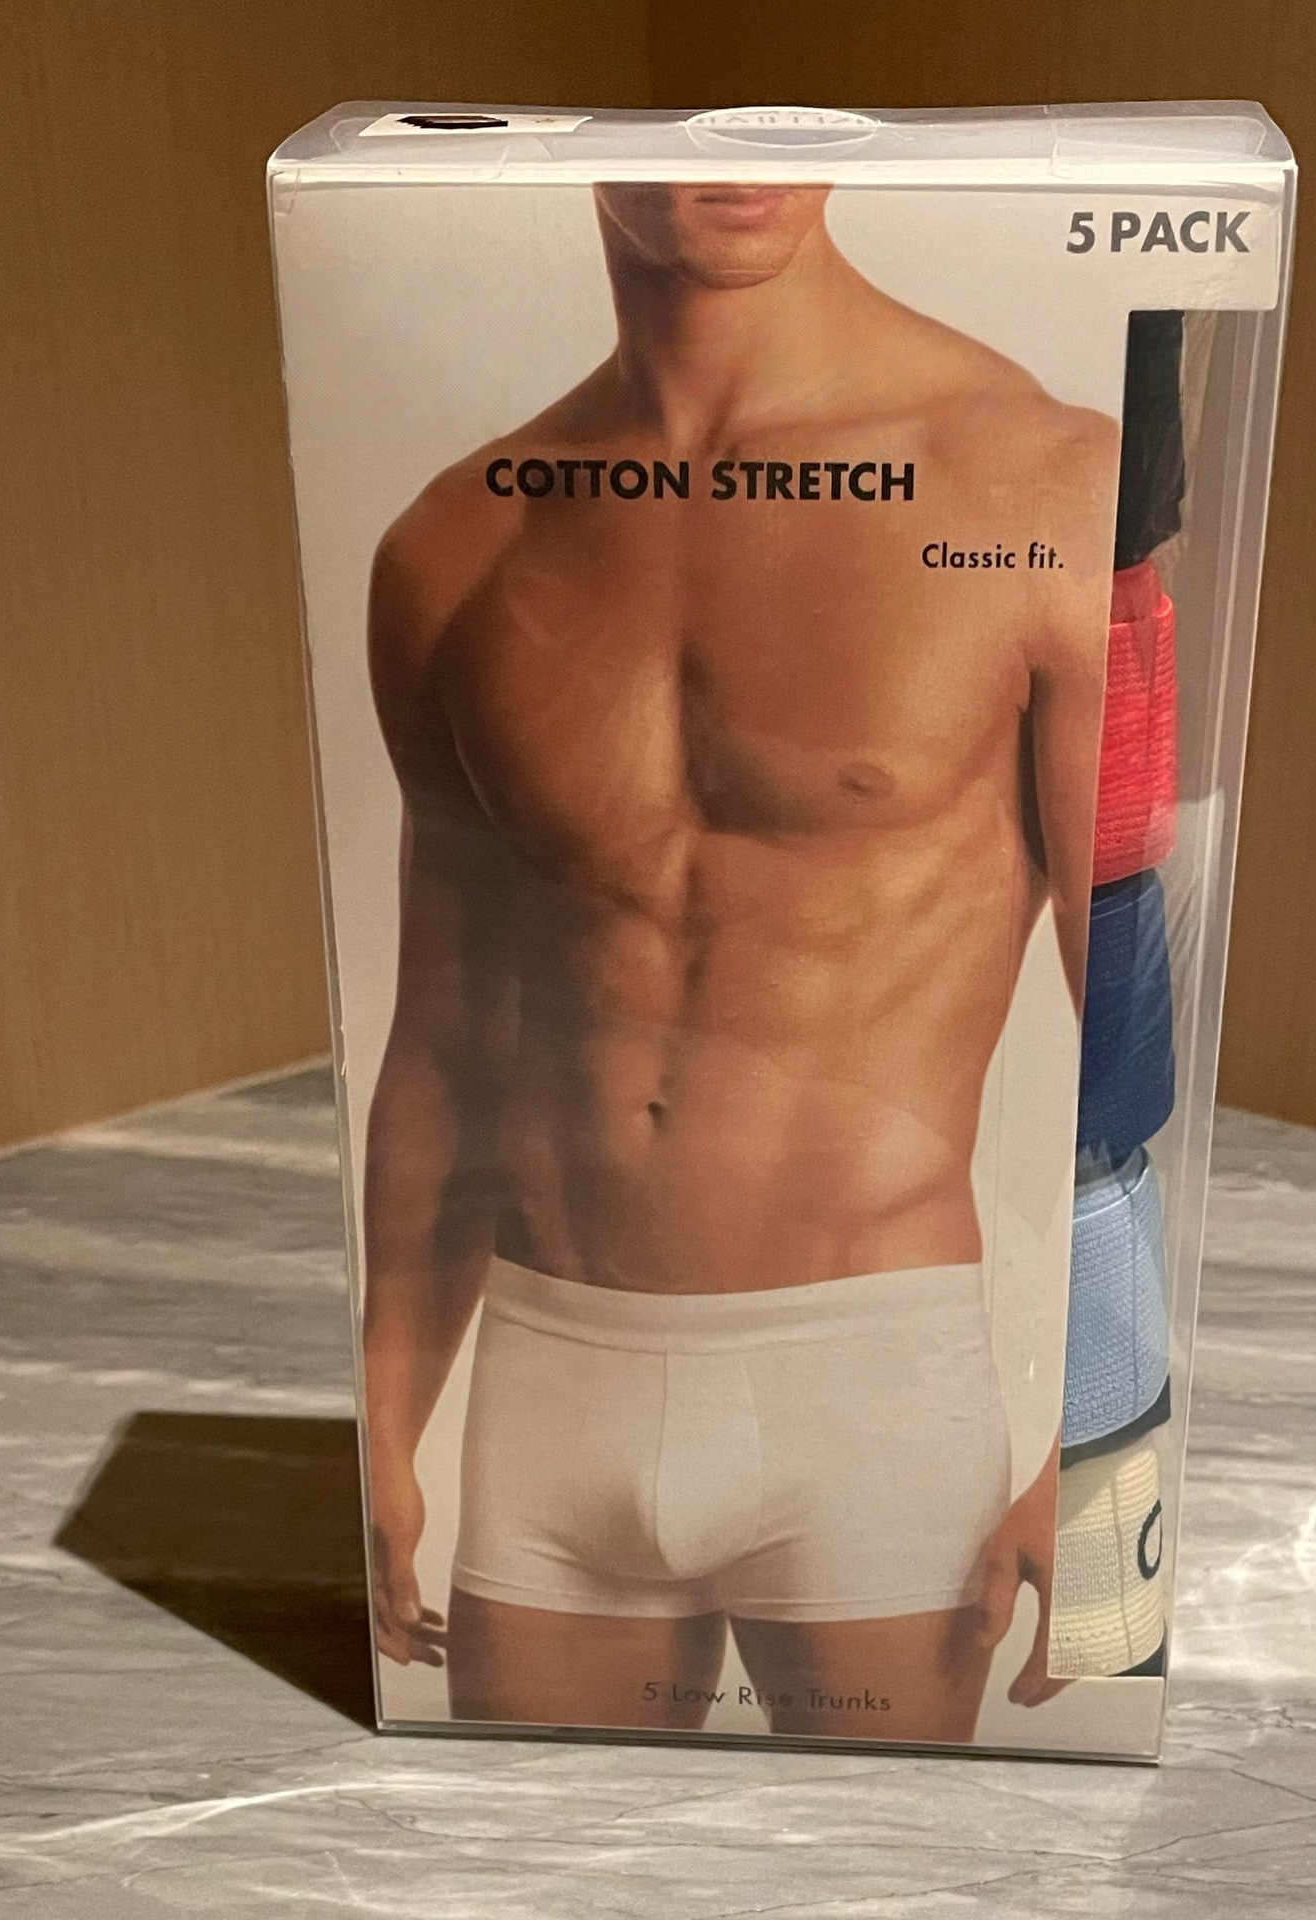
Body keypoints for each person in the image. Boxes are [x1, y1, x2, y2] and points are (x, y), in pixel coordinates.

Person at [362, 181, 1114, 1741]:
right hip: (554, 1371)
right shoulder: (458, 542)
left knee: (895, 1866)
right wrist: (379, 1415)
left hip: (870, 1377)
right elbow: (445, 1035)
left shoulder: (1038, 482)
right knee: (530, 1857)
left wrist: (1115, 1438)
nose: (735, 164)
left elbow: (1137, 1020)